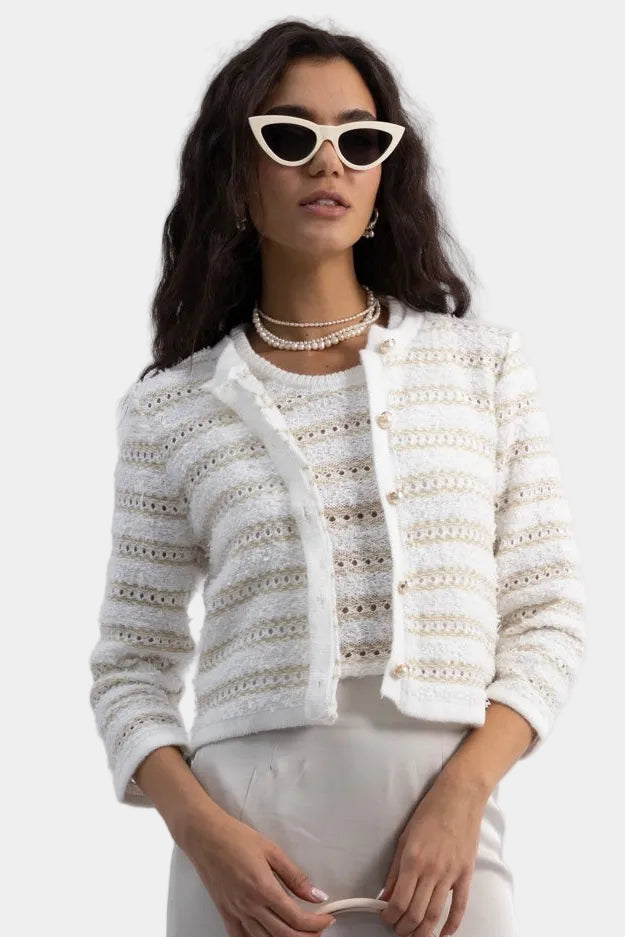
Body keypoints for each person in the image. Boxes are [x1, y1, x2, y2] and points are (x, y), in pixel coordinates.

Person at [88, 18, 586, 937]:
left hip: (444, 860)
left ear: (384, 173)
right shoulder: (172, 409)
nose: (328, 161)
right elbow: (129, 666)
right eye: (290, 136)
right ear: (237, 175)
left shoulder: (480, 368)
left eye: (358, 141)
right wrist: (202, 835)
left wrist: (462, 796)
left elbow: (546, 615)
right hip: (240, 868)